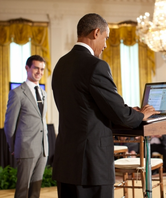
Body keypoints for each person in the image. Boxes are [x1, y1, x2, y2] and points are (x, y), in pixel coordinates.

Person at [51, 13, 159, 198]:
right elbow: (121, 114)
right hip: (91, 165)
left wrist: (125, 110)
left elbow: (84, 105)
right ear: (96, 33)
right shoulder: (95, 65)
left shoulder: (61, 64)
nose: (106, 45)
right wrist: (141, 115)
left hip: (67, 162)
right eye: (106, 38)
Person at [4, 55, 49, 198]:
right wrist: (13, 147)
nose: (39, 72)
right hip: (25, 148)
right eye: (36, 68)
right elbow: (9, 124)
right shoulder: (17, 93)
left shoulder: (44, 93)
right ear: (27, 68)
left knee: (36, 190)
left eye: (42, 69)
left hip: (43, 149)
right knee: (23, 189)